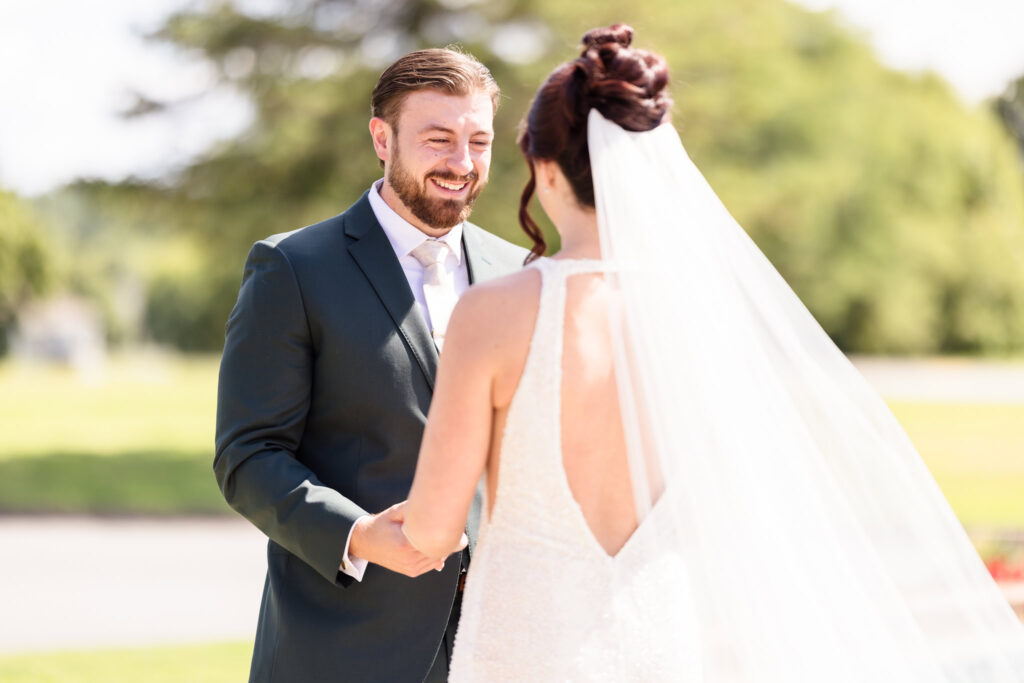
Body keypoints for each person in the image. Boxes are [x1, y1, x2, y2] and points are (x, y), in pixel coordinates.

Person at [400, 24, 1024, 682]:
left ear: (546, 169)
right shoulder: (699, 312)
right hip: (661, 649)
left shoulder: (495, 312)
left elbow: (435, 531)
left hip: (525, 653)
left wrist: (357, 532)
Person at [214, 48, 527, 682]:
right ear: (382, 139)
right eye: (438, 139)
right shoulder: (293, 268)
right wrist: (356, 534)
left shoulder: (521, 272)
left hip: (501, 643)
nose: (461, 164)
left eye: (478, 141)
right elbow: (248, 455)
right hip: (343, 646)